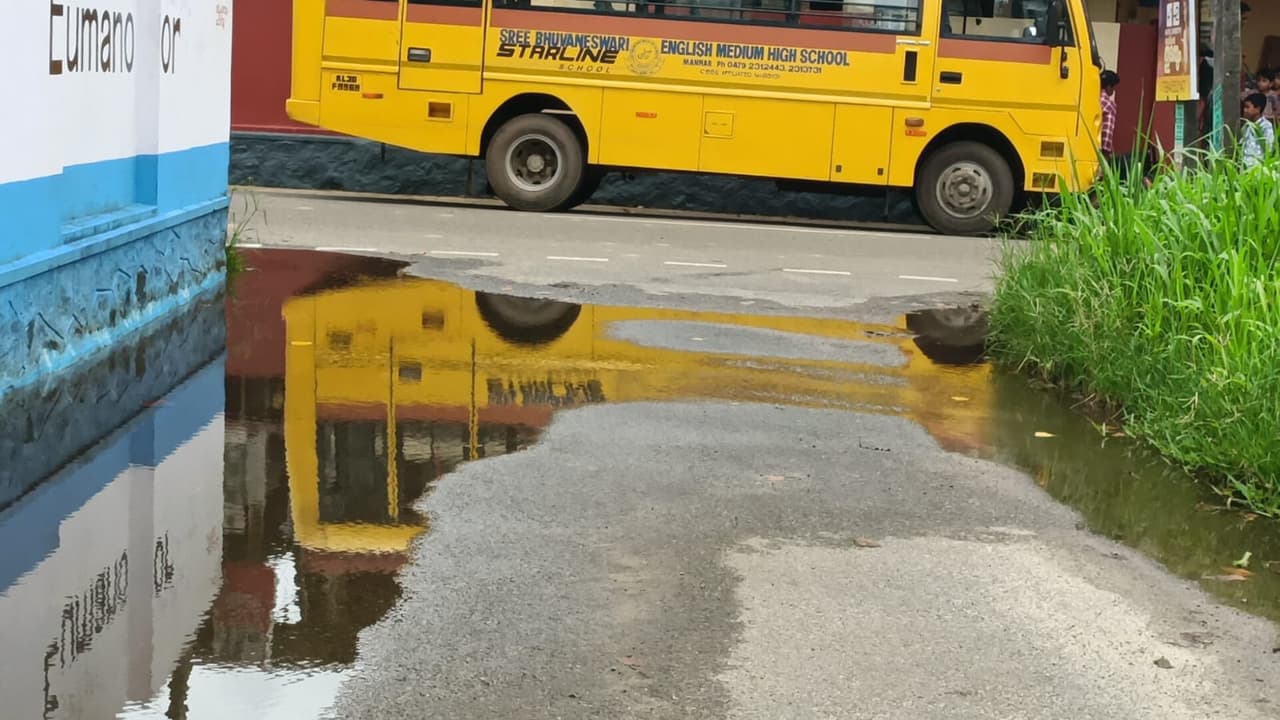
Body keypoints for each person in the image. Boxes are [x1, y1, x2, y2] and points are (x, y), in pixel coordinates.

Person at [1241, 92, 1274, 169]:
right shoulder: (1246, 127)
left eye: (1247, 107)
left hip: (1258, 168)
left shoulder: (1266, 126)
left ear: (1258, 109)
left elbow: (1269, 149)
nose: (1244, 110)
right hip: (1245, 168)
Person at [1100, 70, 1119, 160]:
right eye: (1114, 87)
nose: (1114, 90)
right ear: (1109, 87)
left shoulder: (1091, 98)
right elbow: (1107, 131)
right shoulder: (1109, 104)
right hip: (1100, 151)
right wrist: (1106, 153)